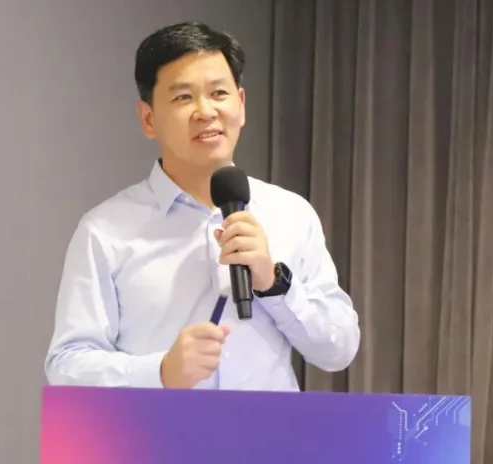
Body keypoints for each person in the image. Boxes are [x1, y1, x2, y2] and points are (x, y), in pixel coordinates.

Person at [44, 21, 360, 391]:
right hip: (161, 429)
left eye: (219, 93)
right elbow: (66, 365)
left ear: (241, 105)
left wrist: (274, 284)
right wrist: (161, 371)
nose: (206, 111)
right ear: (148, 119)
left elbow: (339, 349)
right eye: (183, 97)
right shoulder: (105, 230)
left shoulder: (291, 214)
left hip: (270, 429)